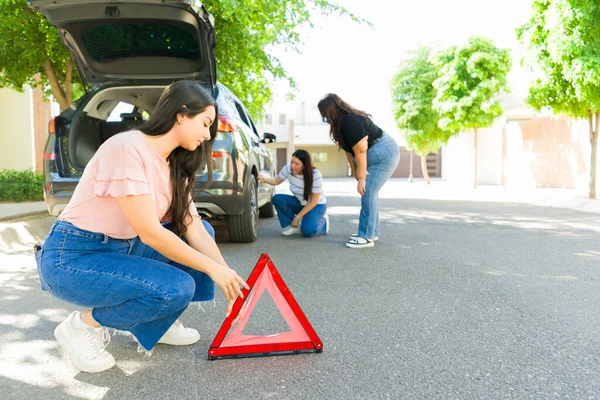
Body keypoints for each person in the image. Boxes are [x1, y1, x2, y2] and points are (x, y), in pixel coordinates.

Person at [34, 81, 249, 373]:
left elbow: (193, 228)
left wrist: (229, 278)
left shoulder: (175, 164)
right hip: (73, 257)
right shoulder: (127, 147)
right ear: (181, 115)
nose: (207, 134)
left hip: (122, 247)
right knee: (176, 288)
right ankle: (82, 326)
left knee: (204, 237)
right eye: (205, 123)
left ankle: (159, 322)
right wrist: (213, 270)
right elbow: (150, 232)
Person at [317, 93, 400, 249]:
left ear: (330, 111)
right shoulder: (341, 124)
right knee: (370, 193)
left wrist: (362, 178)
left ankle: (366, 237)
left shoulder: (349, 120)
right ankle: (371, 232)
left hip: (384, 151)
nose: (325, 119)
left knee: (368, 191)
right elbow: (349, 150)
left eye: (324, 115)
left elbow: (361, 150)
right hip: (379, 151)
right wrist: (353, 170)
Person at [259, 149, 329, 237]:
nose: (292, 166)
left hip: (316, 206)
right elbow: (276, 181)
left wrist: (297, 217)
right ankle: (293, 228)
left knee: (308, 232)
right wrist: (263, 178)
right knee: (277, 199)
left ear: (304, 165)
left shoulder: (315, 175)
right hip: (300, 203)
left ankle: (323, 222)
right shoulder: (288, 169)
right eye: (292, 162)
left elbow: (313, 202)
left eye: (296, 164)